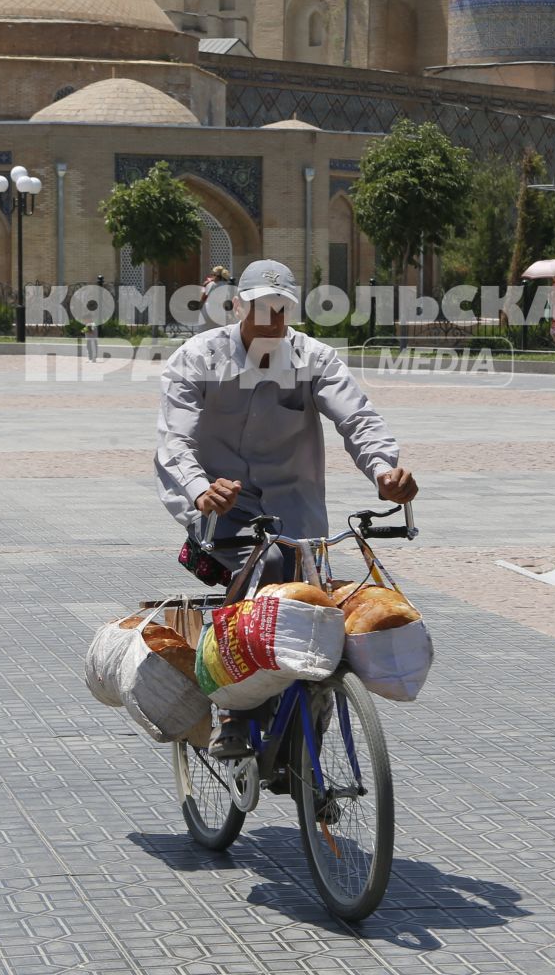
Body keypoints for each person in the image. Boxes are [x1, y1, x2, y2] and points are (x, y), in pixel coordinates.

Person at [155, 258, 418, 758]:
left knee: (312, 598)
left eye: (283, 310)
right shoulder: (198, 357)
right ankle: (233, 708)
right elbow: (174, 441)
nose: (273, 321)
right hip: (221, 505)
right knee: (264, 569)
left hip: (294, 507)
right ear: (238, 305)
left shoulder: (312, 358)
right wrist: (198, 489)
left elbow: (357, 418)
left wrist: (384, 471)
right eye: (261, 309)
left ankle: (308, 723)